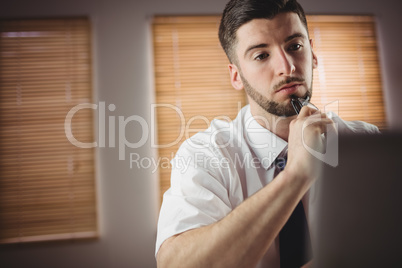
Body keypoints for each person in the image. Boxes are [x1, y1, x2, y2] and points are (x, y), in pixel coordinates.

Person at [155, 0, 379, 267]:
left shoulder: (368, 144)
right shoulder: (205, 153)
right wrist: (296, 175)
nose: (287, 67)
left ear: (313, 53)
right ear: (236, 75)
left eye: (295, 46)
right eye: (262, 55)